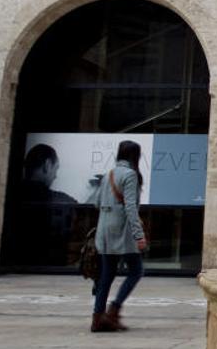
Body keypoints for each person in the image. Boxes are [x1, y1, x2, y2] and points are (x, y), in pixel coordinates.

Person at [90, 141, 147, 333]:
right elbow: (130, 207)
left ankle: (97, 319)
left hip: (103, 230)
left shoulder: (109, 174)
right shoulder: (130, 175)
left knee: (106, 275)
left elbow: (96, 202)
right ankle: (113, 311)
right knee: (136, 270)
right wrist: (139, 235)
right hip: (122, 230)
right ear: (134, 156)